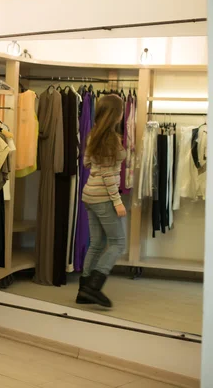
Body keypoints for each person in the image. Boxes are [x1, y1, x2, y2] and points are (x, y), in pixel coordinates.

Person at [76, 94, 127, 308]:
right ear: (116, 114)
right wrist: (117, 201)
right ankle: (94, 287)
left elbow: (87, 162)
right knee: (118, 243)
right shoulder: (111, 138)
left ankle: (83, 290)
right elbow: (106, 174)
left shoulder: (94, 134)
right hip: (104, 198)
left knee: (97, 244)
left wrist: (100, 167)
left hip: (89, 195)